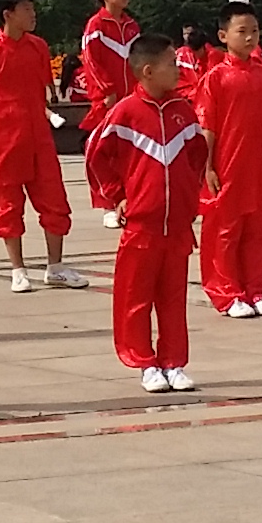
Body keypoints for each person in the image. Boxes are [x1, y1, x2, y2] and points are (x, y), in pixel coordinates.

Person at [85, 30, 206, 392]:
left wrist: (189, 195)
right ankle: (144, 362)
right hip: (142, 224)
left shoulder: (184, 112)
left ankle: (174, 361)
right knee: (135, 298)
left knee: (173, 298)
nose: (178, 70)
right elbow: (97, 155)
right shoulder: (125, 113)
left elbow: (198, 155)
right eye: (172, 64)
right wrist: (116, 195)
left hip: (177, 224)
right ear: (148, 71)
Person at [0, 0, 75, 290]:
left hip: (38, 135)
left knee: (54, 199)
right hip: (3, 138)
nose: (33, 14)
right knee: (7, 203)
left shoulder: (38, 47)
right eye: (26, 9)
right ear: (8, 14)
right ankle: (17, 269)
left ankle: (55, 266)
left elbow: (43, 87)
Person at [196, 0, 262, 316]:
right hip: (227, 167)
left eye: (255, 31)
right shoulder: (215, 78)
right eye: (242, 30)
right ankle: (227, 292)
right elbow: (207, 129)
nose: (249, 37)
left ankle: (255, 290)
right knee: (225, 231)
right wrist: (208, 168)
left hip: (256, 166)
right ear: (223, 36)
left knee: (258, 231)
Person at [76, 0, 141, 224]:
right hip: (107, 100)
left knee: (128, 151)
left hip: (131, 98)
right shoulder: (96, 25)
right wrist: (106, 90)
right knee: (103, 152)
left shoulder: (132, 26)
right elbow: (91, 60)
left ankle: (129, 199)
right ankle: (107, 205)